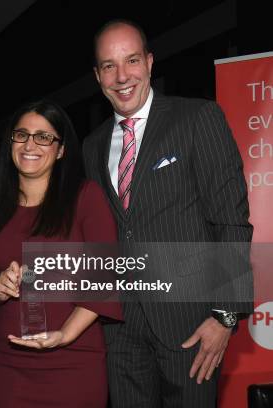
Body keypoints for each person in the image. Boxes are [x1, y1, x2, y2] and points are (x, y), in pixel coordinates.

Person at [82, 20, 253, 407]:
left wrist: (225, 315)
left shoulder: (197, 119)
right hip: (120, 330)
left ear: (150, 62)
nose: (122, 76)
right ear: (97, 76)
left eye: (132, 60)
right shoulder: (91, 148)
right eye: (109, 65)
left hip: (190, 325)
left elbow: (231, 221)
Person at [0, 100, 122, 408]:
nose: (30, 144)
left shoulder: (86, 198)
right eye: (22, 135)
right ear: (10, 142)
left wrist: (64, 335)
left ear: (61, 149)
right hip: (7, 364)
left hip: (73, 360)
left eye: (44, 137)